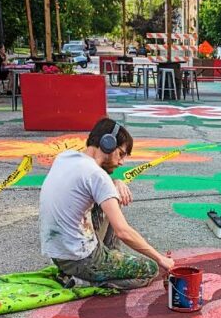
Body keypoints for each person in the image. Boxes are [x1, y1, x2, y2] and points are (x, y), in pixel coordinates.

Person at [39, 118, 174, 290]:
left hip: (59, 256)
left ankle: (99, 264)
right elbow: (123, 232)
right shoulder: (97, 176)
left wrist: (114, 183)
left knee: (109, 200)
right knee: (149, 269)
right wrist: (161, 259)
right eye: (121, 154)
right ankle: (85, 281)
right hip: (82, 259)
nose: (121, 162)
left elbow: (86, 183)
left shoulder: (65, 158)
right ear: (108, 144)